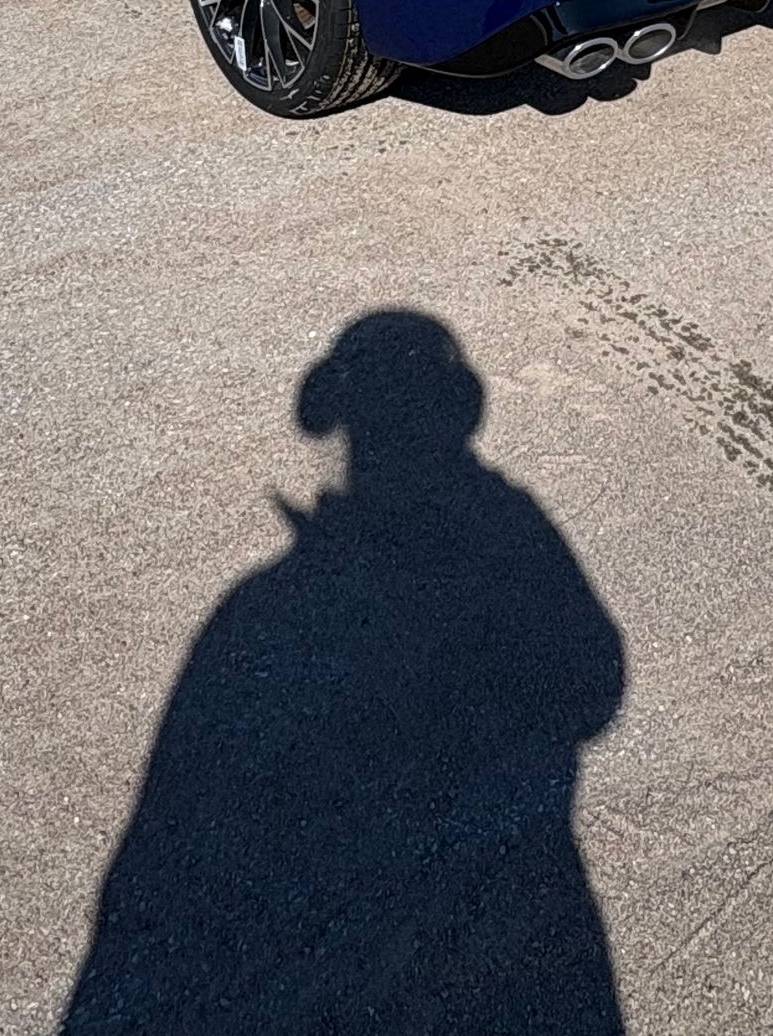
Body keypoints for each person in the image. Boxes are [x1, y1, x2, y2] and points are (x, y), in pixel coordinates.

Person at [60, 311, 627, 1034]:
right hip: (505, 936)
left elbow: (172, 847)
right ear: (453, 414)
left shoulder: (266, 607)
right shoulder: (511, 540)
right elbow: (595, 692)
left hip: (334, 961)